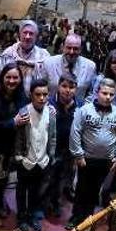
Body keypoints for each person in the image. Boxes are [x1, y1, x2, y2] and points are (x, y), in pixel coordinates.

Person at [68, 78, 116, 230]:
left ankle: (88, 216)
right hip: (86, 158)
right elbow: (75, 132)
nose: (107, 97)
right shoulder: (84, 110)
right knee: (81, 188)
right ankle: (76, 217)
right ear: (97, 92)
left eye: (111, 94)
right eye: (104, 93)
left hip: (106, 160)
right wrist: (78, 155)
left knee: (95, 190)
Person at [0, 63, 29, 227]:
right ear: (2, 78)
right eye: (8, 77)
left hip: (12, 147)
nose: (11, 80)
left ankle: (0, 203)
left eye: (15, 77)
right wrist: (12, 123)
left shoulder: (22, 97)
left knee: (5, 179)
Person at [13, 78, 56, 231]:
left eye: (45, 94)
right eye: (38, 94)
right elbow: (18, 137)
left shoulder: (51, 113)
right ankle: (21, 218)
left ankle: (32, 216)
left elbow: (52, 136)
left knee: (36, 190)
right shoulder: (24, 112)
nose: (42, 98)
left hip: (42, 160)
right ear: (31, 95)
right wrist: (19, 157)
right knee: (21, 189)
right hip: (26, 159)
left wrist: (51, 155)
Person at [44, 73, 81, 218]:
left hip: (68, 149)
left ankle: (55, 202)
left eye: (71, 87)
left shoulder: (80, 106)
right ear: (58, 87)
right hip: (51, 148)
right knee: (48, 177)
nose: (67, 90)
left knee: (63, 177)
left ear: (76, 89)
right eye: (64, 86)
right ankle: (42, 204)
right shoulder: (49, 104)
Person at [43, 34, 97, 99]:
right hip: (51, 107)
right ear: (62, 47)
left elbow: (92, 92)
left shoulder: (90, 66)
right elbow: (41, 88)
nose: (71, 52)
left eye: (75, 49)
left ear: (81, 49)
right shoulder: (48, 63)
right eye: (69, 48)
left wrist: (84, 107)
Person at [0, 20, 49, 92]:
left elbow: (48, 82)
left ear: (36, 36)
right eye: (25, 33)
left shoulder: (44, 56)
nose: (27, 37)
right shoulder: (8, 54)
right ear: (19, 34)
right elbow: (0, 78)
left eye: (31, 33)